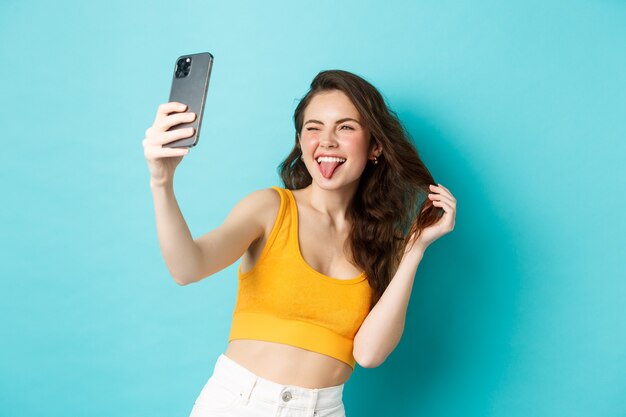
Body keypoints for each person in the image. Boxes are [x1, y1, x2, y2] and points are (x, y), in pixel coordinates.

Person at [142, 69, 456, 416]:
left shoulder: (384, 243)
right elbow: (188, 268)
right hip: (240, 404)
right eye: (313, 128)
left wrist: (415, 250)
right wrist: (161, 181)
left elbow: (369, 354)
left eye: (346, 127)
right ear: (301, 142)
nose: (327, 141)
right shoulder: (270, 208)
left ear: (376, 146)